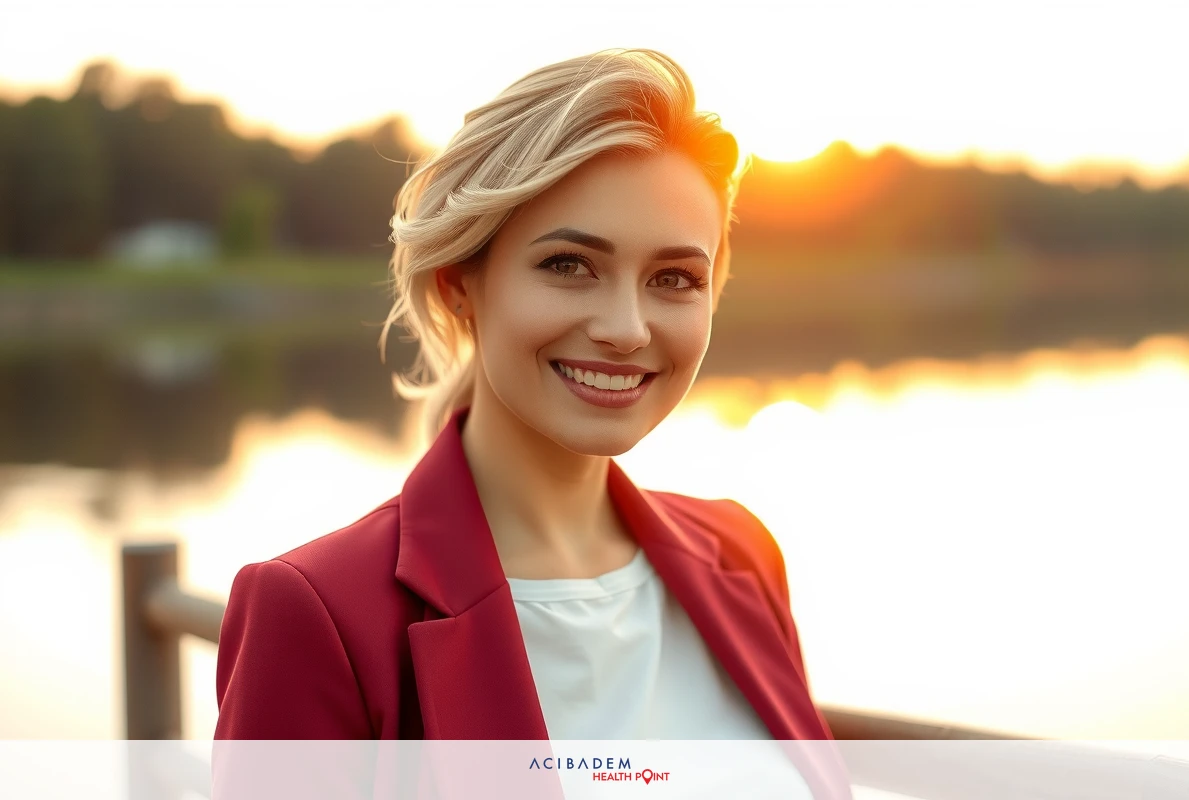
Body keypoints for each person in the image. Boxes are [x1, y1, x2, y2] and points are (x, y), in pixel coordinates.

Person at [214, 48, 850, 799]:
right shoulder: (316, 613)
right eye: (568, 265)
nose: (626, 328)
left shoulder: (743, 554)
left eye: (674, 279)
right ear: (459, 285)